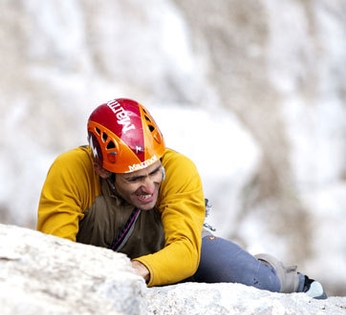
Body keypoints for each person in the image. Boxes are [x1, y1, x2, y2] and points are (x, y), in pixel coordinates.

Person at [37, 97, 327, 299]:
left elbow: (186, 253)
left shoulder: (179, 169)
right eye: (134, 178)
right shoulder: (71, 171)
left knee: (253, 281)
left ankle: (290, 281)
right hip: (100, 250)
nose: (149, 186)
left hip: (170, 243)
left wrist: (135, 270)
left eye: (154, 172)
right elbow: (56, 249)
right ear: (102, 169)